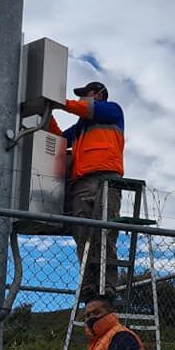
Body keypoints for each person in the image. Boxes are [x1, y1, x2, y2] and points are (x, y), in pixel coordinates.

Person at [48, 80, 124, 301]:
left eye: (87, 94)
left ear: (100, 94)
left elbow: (86, 108)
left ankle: (108, 286)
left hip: (107, 179)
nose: (83, 98)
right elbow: (60, 140)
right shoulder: (81, 127)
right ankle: (89, 284)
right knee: (83, 234)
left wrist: (57, 101)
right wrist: (47, 113)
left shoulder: (112, 111)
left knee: (105, 233)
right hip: (81, 182)